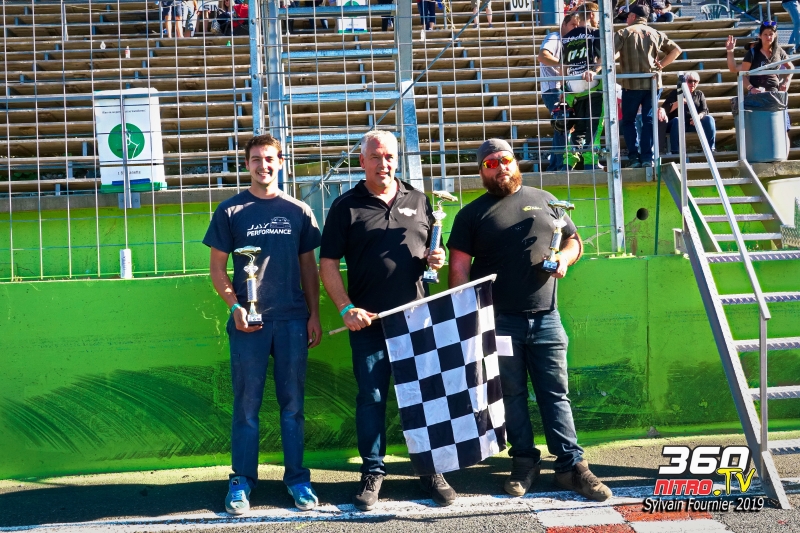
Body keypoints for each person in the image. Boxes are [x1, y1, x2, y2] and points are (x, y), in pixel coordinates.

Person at [446, 138, 613, 502]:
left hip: (547, 319)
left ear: (516, 162)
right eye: (491, 163)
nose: (500, 167)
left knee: (556, 394)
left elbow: (574, 241)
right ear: (481, 171)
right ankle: (524, 461)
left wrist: (564, 259)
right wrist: (463, 317)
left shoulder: (546, 200)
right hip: (499, 322)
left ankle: (571, 466)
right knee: (511, 395)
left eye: (505, 159)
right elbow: (458, 269)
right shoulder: (470, 215)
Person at [318, 130, 454, 511]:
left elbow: (433, 250)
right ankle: (373, 471)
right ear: (362, 161)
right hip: (368, 325)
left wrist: (437, 257)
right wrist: (345, 308)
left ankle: (431, 469)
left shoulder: (419, 200)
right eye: (376, 157)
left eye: (390, 156)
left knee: (423, 396)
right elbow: (327, 263)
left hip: (415, 321)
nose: (384, 164)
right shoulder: (345, 207)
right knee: (372, 398)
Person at [203, 134, 322, 515]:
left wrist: (314, 314)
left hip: (292, 320)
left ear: (281, 162)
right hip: (247, 324)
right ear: (247, 164)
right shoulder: (230, 211)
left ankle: (298, 480)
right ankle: (241, 482)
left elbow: (309, 268)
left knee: (293, 406)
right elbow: (217, 269)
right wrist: (235, 307)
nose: (263, 165)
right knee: (246, 407)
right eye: (256, 159)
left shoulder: (299, 210)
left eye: (269, 158)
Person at [614, 4, 681, 168]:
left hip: (631, 85)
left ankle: (634, 157)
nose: (626, 19)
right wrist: (661, 65)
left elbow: (609, 54)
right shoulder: (656, 33)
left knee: (628, 121)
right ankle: (647, 158)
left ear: (632, 17)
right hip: (652, 83)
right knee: (649, 120)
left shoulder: (623, 33)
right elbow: (676, 50)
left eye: (628, 16)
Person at [561, 3, 605, 170]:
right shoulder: (595, 33)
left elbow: (563, 67)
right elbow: (603, 57)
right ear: (592, 15)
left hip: (573, 86)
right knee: (595, 125)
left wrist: (563, 89)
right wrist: (594, 70)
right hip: (592, 84)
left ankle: (568, 162)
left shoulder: (567, 37)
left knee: (576, 127)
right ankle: (590, 162)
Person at [537, 14, 578, 172]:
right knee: (563, 122)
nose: (576, 28)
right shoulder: (555, 37)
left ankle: (555, 165)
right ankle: (561, 165)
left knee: (561, 125)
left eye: (577, 25)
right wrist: (564, 65)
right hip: (553, 88)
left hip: (563, 87)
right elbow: (542, 56)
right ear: (563, 25)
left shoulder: (570, 41)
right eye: (573, 25)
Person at [725, 22, 793, 94]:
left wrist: (786, 81)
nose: (768, 37)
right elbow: (735, 70)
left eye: (771, 34)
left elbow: (790, 67)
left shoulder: (779, 51)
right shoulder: (752, 54)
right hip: (757, 94)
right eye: (765, 35)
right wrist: (730, 51)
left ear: (775, 35)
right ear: (760, 36)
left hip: (775, 92)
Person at [657, 71, 716, 153]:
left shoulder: (699, 94)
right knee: (677, 120)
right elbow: (665, 109)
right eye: (690, 81)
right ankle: (675, 151)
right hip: (675, 125)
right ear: (684, 82)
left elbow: (704, 110)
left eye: (695, 81)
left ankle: (710, 149)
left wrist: (698, 117)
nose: (693, 83)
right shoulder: (675, 93)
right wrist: (678, 103)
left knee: (709, 119)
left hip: (692, 123)